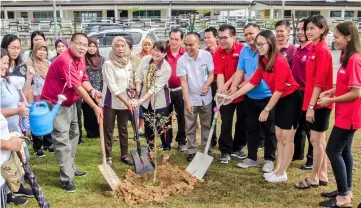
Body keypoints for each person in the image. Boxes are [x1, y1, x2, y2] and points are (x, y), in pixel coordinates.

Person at [224, 30, 302, 182]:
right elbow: (253, 82)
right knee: (279, 137)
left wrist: (266, 109)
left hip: (290, 100)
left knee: (286, 139)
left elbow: (279, 90)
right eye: (257, 44)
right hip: (279, 99)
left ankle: (282, 172)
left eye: (261, 44)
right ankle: (278, 169)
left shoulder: (280, 61)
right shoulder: (263, 60)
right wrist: (233, 96)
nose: (258, 47)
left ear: (270, 43)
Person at [41, 33, 103, 192]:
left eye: (85, 44)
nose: (82, 47)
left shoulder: (80, 58)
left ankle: (70, 167)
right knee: (62, 139)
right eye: (79, 44)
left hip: (70, 102)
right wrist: (95, 106)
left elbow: (83, 79)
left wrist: (93, 90)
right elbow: (77, 87)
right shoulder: (65, 61)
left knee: (74, 134)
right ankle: (66, 178)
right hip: (56, 104)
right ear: (70, 43)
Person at [317, 21, 361, 208]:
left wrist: (330, 101)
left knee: (332, 150)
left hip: (350, 116)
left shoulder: (355, 59)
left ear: (348, 37)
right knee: (343, 151)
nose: (333, 40)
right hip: (344, 114)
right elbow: (344, 85)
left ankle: (343, 197)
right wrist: (331, 91)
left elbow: (356, 92)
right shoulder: (345, 56)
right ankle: (345, 189)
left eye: (336, 36)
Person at [230, 23, 277, 172]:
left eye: (252, 33)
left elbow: (257, 80)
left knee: (269, 130)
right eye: (246, 34)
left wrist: (239, 91)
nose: (249, 37)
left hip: (267, 96)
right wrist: (233, 88)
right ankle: (252, 158)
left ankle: (269, 159)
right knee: (251, 128)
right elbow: (239, 71)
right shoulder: (244, 51)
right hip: (250, 97)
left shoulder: (265, 53)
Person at [295, 15, 334, 189]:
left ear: (322, 29)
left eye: (312, 28)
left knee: (316, 141)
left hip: (319, 103)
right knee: (319, 140)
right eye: (307, 28)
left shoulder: (322, 50)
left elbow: (319, 82)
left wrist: (311, 107)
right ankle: (323, 174)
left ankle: (313, 178)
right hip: (313, 101)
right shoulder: (314, 48)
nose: (308, 32)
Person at [0, 48, 33, 204]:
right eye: (3, 63)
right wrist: (16, 111)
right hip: (4, 130)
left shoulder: (7, 80)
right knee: (4, 164)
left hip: (13, 127)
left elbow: (23, 96)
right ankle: (7, 194)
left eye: (7, 63)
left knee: (20, 159)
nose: (6, 67)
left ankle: (17, 186)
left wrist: (28, 79)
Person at [177, 32, 214, 162]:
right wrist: (187, 101)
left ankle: (206, 149)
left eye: (191, 45)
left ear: (199, 43)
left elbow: (211, 74)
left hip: (206, 98)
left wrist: (207, 85)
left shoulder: (207, 56)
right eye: (186, 45)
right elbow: (184, 82)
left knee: (206, 125)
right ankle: (191, 150)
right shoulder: (182, 61)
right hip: (191, 98)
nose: (188, 48)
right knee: (190, 126)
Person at [214, 24, 246, 164]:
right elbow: (219, 73)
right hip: (226, 94)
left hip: (242, 91)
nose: (221, 41)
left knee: (242, 121)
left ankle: (237, 147)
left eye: (224, 38)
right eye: (219, 38)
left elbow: (242, 71)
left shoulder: (242, 50)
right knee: (226, 122)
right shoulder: (218, 52)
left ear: (233, 37)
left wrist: (234, 87)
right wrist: (221, 91)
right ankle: (225, 150)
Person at [102, 37, 134, 167]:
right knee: (108, 129)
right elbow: (113, 87)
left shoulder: (128, 63)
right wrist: (127, 102)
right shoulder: (108, 64)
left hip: (125, 101)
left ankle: (124, 155)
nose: (120, 48)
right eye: (117, 46)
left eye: (123, 46)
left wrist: (132, 88)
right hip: (111, 101)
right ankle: (108, 157)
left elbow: (129, 79)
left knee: (123, 128)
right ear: (113, 47)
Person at [135, 40, 172, 151]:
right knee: (148, 126)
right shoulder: (146, 60)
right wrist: (137, 90)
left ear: (165, 54)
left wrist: (140, 100)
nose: (156, 53)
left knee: (162, 126)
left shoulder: (166, 68)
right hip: (145, 101)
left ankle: (166, 148)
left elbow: (155, 88)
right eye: (155, 49)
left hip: (161, 102)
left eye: (160, 51)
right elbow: (139, 76)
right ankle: (150, 150)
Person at [291, 18, 314, 170]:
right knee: (297, 125)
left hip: (309, 92)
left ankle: (311, 159)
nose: (300, 32)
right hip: (295, 92)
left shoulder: (313, 50)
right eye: (298, 29)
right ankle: (297, 153)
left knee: (310, 128)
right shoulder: (296, 49)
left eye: (303, 29)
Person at [26, 40, 54, 157]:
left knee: (47, 119)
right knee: (36, 120)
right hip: (35, 95)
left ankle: (48, 142)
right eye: (39, 49)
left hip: (47, 95)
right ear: (34, 50)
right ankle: (38, 146)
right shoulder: (29, 63)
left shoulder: (49, 63)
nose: (42, 52)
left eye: (44, 50)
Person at [166, 28, 187, 151]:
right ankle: (167, 141)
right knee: (165, 117)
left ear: (182, 40)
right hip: (165, 91)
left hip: (181, 90)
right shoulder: (164, 53)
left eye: (176, 39)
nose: (173, 42)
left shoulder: (185, 54)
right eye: (171, 39)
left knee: (182, 116)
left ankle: (181, 141)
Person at [1, 34, 34, 103]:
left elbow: (29, 90)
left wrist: (31, 107)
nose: (16, 51)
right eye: (13, 48)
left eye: (18, 48)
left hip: (21, 108)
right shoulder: (2, 68)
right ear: (5, 47)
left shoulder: (23, 67)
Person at [82, 38, 105, 138]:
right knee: (88, 112)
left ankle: (101, 130)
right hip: (87, 89)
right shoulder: (82, 59)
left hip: (100, 89)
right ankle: (91, 133)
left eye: (93, 46)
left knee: (100, 110)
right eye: (89, 46)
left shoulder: (102, 59)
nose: (91, 49)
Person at [203, 27, 219, 147]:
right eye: (205, 37)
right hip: (210, 85)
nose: (206, 39)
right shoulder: (204, 53)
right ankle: (212, 139)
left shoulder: (221, 51)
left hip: (223, 84)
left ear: (216, 38)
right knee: (211, 113)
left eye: (209, 37)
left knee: (224, 114)